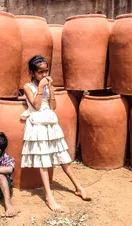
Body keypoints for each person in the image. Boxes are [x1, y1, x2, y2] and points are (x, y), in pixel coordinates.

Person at [21, 55, 91, 212]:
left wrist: (50, 90)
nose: (44, 75)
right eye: (40, 72)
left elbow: (52, 106)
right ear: (31, 72)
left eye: (46, 71)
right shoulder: (28, 87)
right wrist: (40, 88)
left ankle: (78, 187)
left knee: (62, 157)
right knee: (44, 161)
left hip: (51, 123)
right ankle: (49, 196)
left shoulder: (47, 86)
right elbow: (37, 106)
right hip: (37, 125)